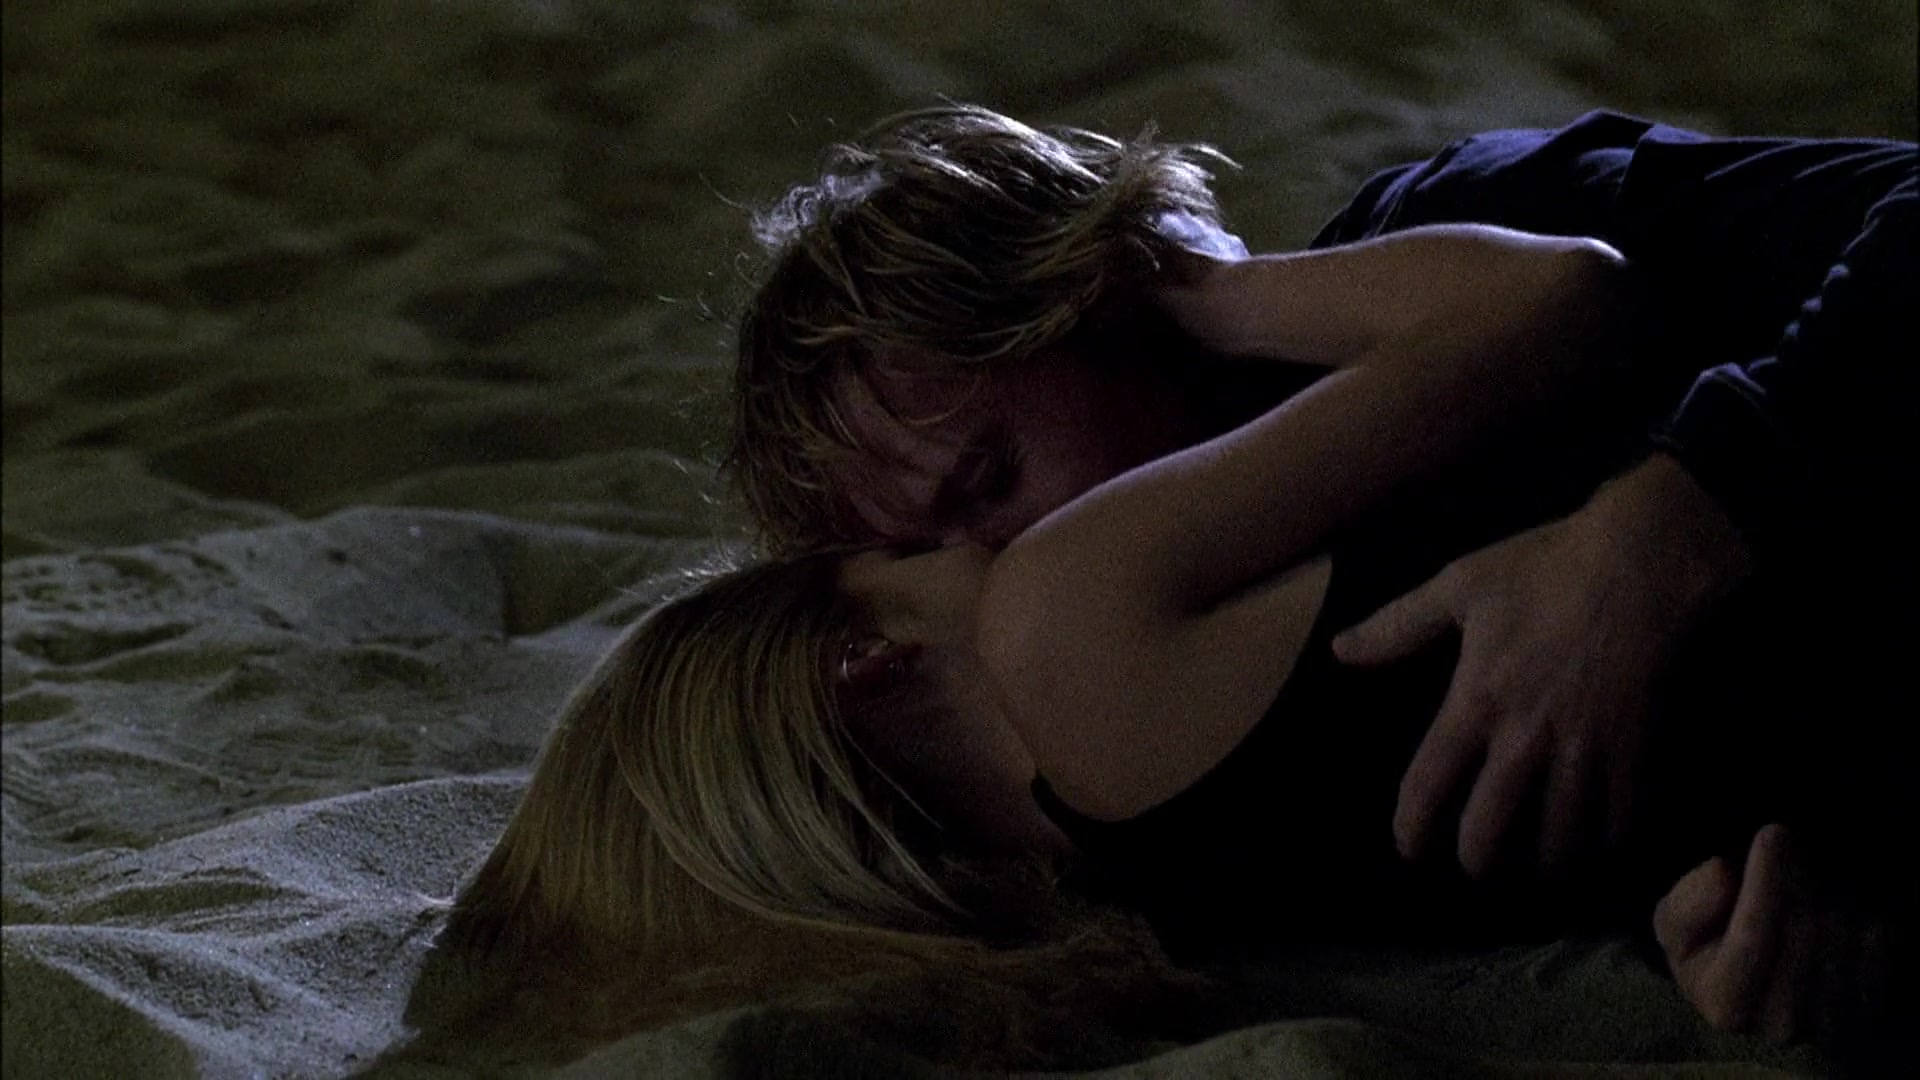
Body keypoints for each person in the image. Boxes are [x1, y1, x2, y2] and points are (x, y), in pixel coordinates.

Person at [719, 105, 1916, 1056]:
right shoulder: (1215, 740)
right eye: (931, 551)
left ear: (1092, 297)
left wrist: (1683, 514)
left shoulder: (1479, 213)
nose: (1008, 559)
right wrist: (1738, 915)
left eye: (991, 478)